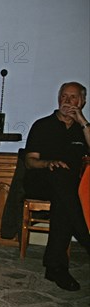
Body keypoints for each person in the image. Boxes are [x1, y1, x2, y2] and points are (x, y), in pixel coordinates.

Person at [24, 82, 90, 291]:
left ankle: (56, 268)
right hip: (42, 180)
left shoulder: (83, 130)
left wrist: (83, 122)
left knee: (64, 201)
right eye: (64, 96)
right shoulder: (42, 125)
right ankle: (86, 238)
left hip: (71, 190)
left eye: (73, 98)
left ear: (83, 101)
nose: (68, 101)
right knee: (61, 177)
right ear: (58, 99)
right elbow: (30, 161)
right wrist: (48, 163)